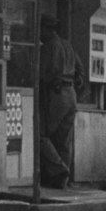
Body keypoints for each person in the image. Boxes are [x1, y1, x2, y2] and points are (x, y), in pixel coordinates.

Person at [38, 13, 86, 188]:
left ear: (47, 30)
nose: (39, 34)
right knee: (63, 140)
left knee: (41, 135)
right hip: (70, 94)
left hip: (55, 94)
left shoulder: (48, 48)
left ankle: (59, 169)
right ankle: (62, 182)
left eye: (41, 30)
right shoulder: (68, 46)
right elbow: (80, 71)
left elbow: (40, 74)